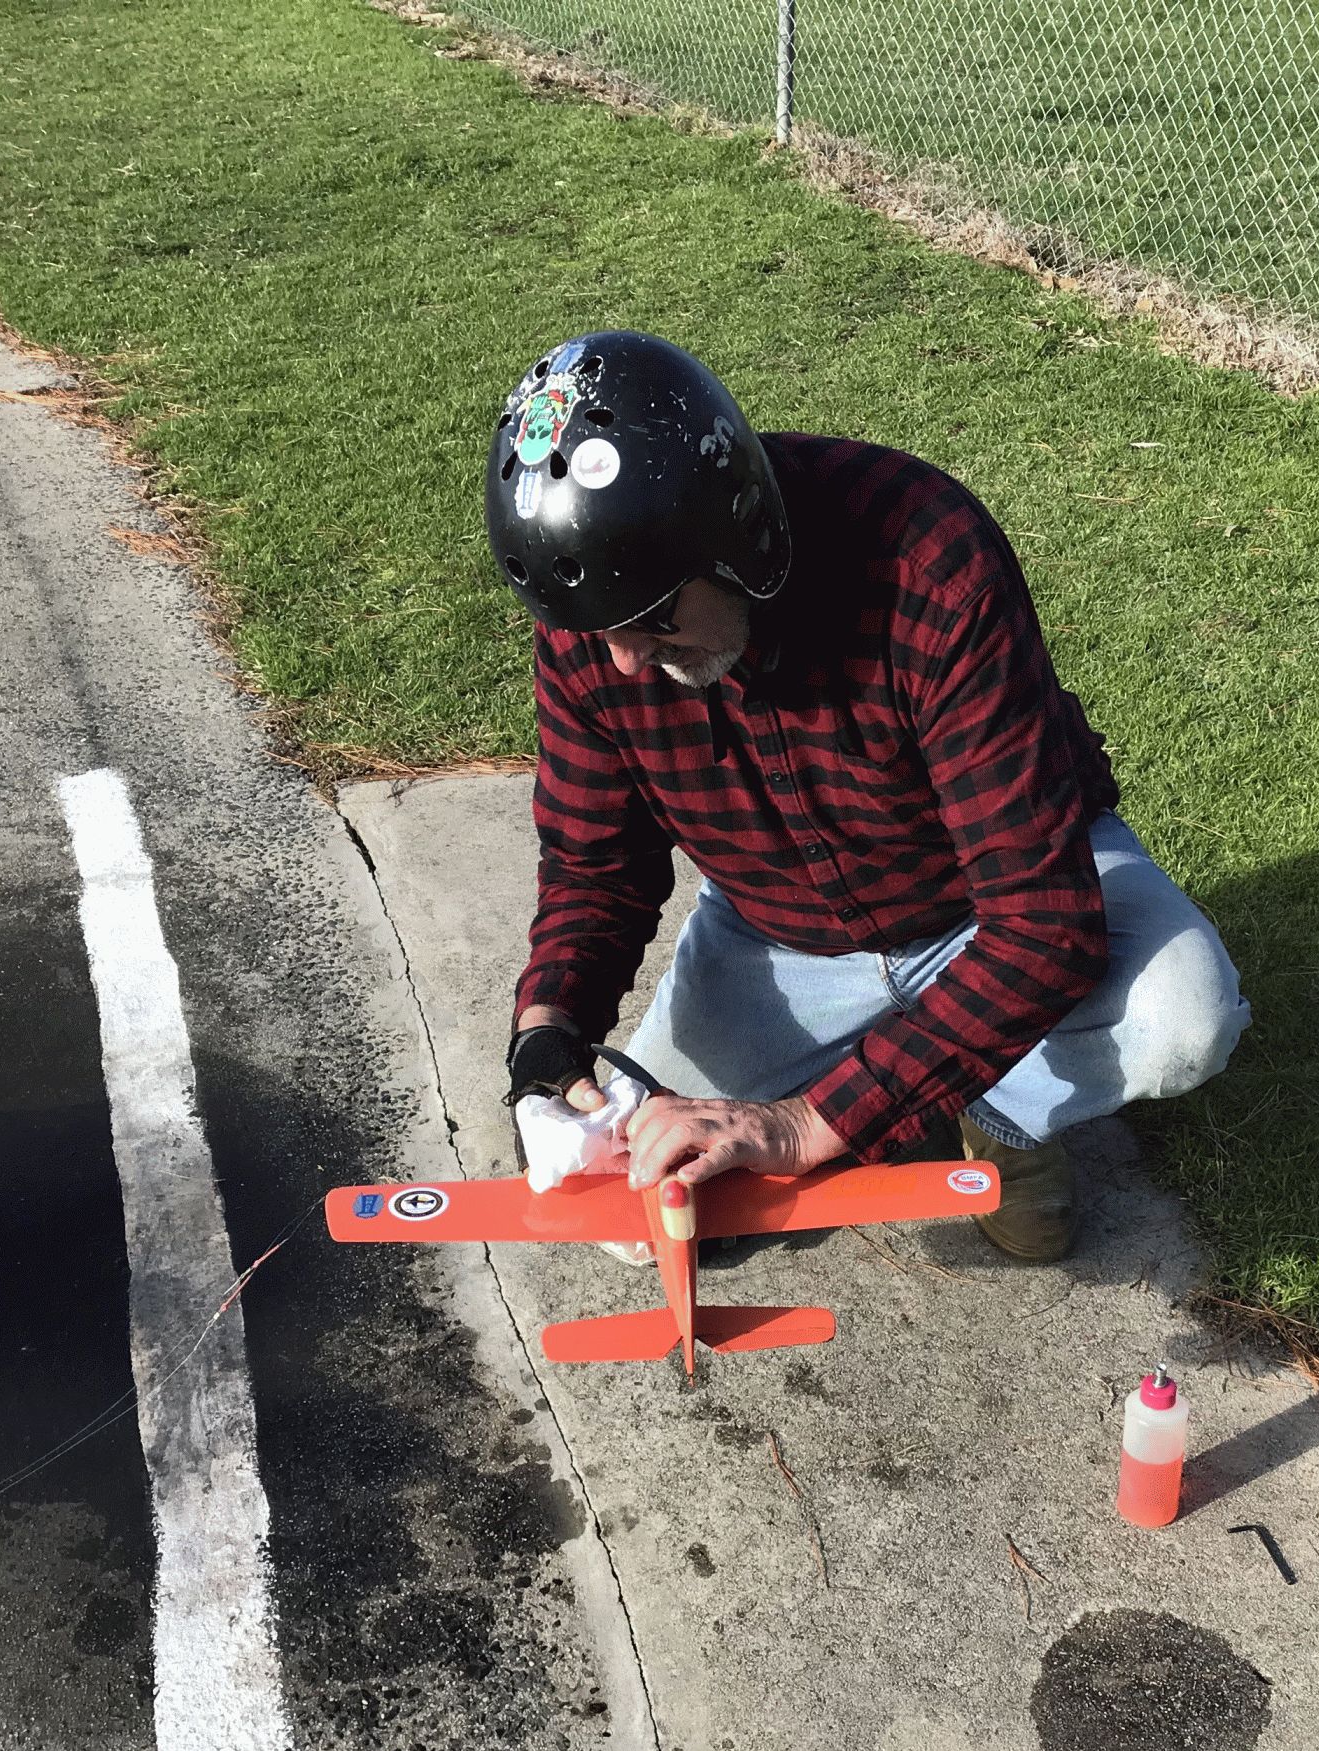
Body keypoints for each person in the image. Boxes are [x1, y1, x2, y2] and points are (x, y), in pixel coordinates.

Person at [486, 331, 1248, 1262]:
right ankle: (934, 1064)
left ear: (733, 541)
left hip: (980, 903)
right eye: (594, 629)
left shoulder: (929, 558)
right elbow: (595, 864)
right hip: (777, 930)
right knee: (636, 1212)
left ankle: (1001, 1109)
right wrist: (548, 1030)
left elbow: (1043, 922)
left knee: (1186, 1018)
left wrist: (804, 1125)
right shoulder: (600, 610)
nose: (625, 660)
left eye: (652, 619)